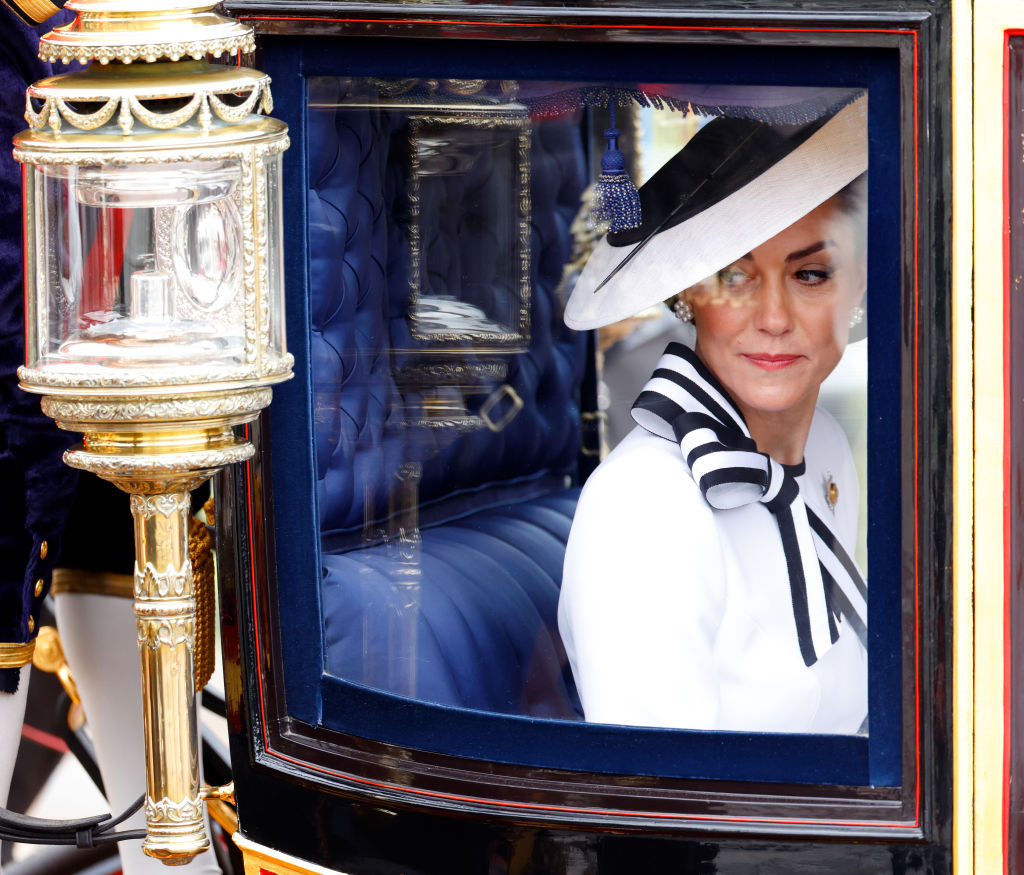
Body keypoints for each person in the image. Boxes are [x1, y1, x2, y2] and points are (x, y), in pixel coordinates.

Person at [558, 93, 869, 733]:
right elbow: (657, 786)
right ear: (688, 298)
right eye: (733, 277)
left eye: (811, 275)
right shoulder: (644, 507)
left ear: (857, 287)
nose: (774, 318)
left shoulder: (827, 446)